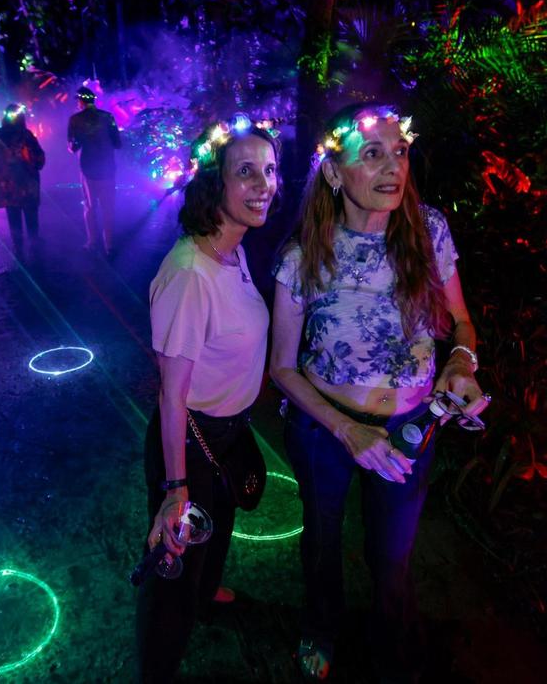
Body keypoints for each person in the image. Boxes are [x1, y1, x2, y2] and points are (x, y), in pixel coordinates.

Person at [269, 103, 485, 682]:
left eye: (399, 151)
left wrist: (461, 366)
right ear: (335, 174)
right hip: (324, 427)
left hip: (412, 429)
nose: (393, 166)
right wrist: (348, 430)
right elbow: (282, 369)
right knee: (322, 540)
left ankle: (395, 645)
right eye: (372, 154)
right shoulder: (303, 255)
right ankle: (321, 628)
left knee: (392, 557)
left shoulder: (429, 229)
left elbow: (461, 324)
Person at [136, 115, 280, 682]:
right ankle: (157, 666)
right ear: (213, 184)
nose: (263, 184)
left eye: (269, 171)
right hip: (190, 437)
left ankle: (205, 597)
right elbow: (171, 396)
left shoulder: (234, 248)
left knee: (217, 525)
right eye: (245, 172)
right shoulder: (190, 272)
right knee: (174, 561)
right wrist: (175, 489)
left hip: (228, 429)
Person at [67, 86, 122, 254]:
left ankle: (92, 242)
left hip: (88, 168)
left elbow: (72, 147)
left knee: (90, 207)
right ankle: (109, 245)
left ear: (80, 101)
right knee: (108, 207)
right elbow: (118, 143)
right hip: (107, 168)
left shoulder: (75, 120)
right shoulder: (108, 117)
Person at [0, 103, 45, 255]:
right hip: (28, 183)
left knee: (13, 216)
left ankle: (18, 247)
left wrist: (4, 165)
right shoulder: (27, 135)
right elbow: (40, 158)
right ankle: (35, 245)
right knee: (31, 215)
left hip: (8, 184)